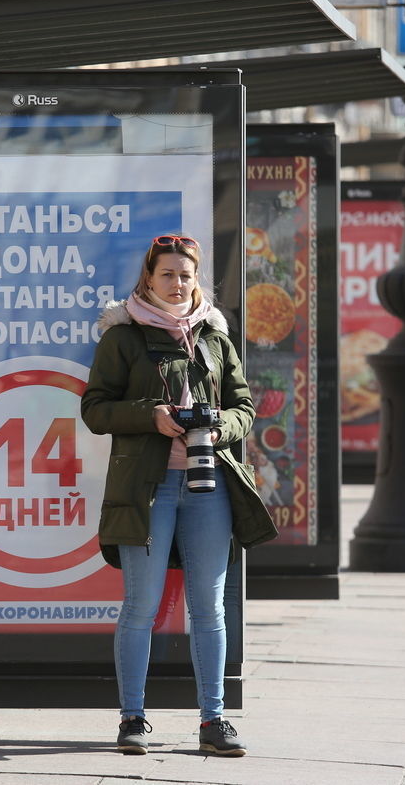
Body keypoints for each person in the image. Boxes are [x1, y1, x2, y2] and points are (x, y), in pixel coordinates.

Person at [81, 234, 277, 757]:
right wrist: (152, 416)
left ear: (197, 281)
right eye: (167, 274)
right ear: (148, 278)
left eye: (186, 275)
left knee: (209, 607)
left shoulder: (215, 336)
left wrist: (217, 429)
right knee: (140, 605)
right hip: (147, 488)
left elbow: (244, 407)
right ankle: (132, 718)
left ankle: (214, 721)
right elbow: (95, 409)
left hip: (207, 483)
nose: (177, 283)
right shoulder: (122, 337)